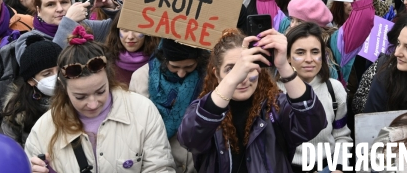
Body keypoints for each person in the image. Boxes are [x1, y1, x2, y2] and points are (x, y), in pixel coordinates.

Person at [25, 25, 176, 173]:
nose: (92, 104)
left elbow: (160, 168)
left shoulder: (143, 111)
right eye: (80, 96)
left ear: (109, 79)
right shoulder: (43, 130)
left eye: (100, 91)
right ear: (63, 89)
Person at [177, 28, 327, 173]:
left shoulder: (275, 106)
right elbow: (189, 139)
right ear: (217, 74)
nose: (242, 78)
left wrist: (284, 66)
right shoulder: (205, 108)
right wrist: (231, 81)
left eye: (249, 68)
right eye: (231, 69)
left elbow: (312, 124)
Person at [279, 23, 352, 173]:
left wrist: (338, 167)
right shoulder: (274, 92)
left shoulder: (334, 89)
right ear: (287, 57)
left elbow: (342, 135)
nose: (309, 59)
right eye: (300, 52)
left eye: (314, 52)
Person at [130, 39, 209, 173]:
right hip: (160, 163)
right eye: (174, 67)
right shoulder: (141, 78)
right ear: (163, 60)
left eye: (189, 67)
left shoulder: (207, 76)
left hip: (198, 163)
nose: (181, 73)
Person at [13, 0, 121, 64]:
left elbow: (121, 27)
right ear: (39, 10)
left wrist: (111, 6)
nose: (60, 9)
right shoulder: (27, 40)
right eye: (50, 4)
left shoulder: (85, 26)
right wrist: (68, 22)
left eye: (64, 2)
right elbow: (50, 67)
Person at [0, 36, 62, 147]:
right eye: (47, 74)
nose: (56, 77)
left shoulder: (79, 100)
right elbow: (9, 150)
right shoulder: (16, 110)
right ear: (31, 80)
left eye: (60, 70)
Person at [104, 14, 158, 85]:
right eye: (125, 30)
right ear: (117, 31)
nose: (130, 36)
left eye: (137, 30)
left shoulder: (158, 62)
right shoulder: (106, 61)